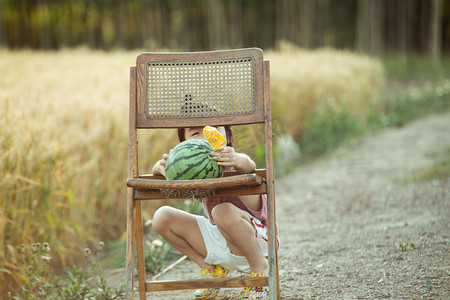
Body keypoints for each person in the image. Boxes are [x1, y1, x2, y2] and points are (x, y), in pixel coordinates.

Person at [151, 125, 274, 300]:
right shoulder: (193, 171)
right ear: (184, 144)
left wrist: (236, 158)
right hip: (222, 241)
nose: (204, 137)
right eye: (195, 133)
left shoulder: (231, 161)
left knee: (222, 211)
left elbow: (248, 164)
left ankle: (259, 268)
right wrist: (163, 166)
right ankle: (211, 268)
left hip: (257, 241)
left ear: (228, 136)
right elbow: (161, 168)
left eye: (212, 129)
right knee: (162, 217)